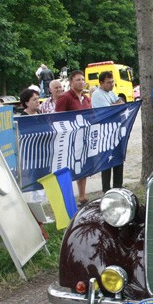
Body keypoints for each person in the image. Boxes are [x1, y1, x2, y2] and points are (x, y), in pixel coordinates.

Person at [55, 70, 91, 206]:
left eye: (83, 79)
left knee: (82, 166)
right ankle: (66, 199)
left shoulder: (86, 98)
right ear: (71, 83)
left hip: (83, 138)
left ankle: (82, 196)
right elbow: (58, 118)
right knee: (68, 168)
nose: (81, 82)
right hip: (69, 139)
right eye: (78, 80)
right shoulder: (65, 98)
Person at [91, 71, 125, 193]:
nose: (111, 84)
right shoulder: (97, 94)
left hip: (116, 131)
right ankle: (106, 188)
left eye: (112, 82)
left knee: (118, 158)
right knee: (107, 160)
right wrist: (115, 105)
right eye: (108, 82)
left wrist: (115, 104)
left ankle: (118, 185)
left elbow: (120, 104)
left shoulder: (111, 93)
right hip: (105, 132)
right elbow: (108, 110)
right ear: (101, 83)